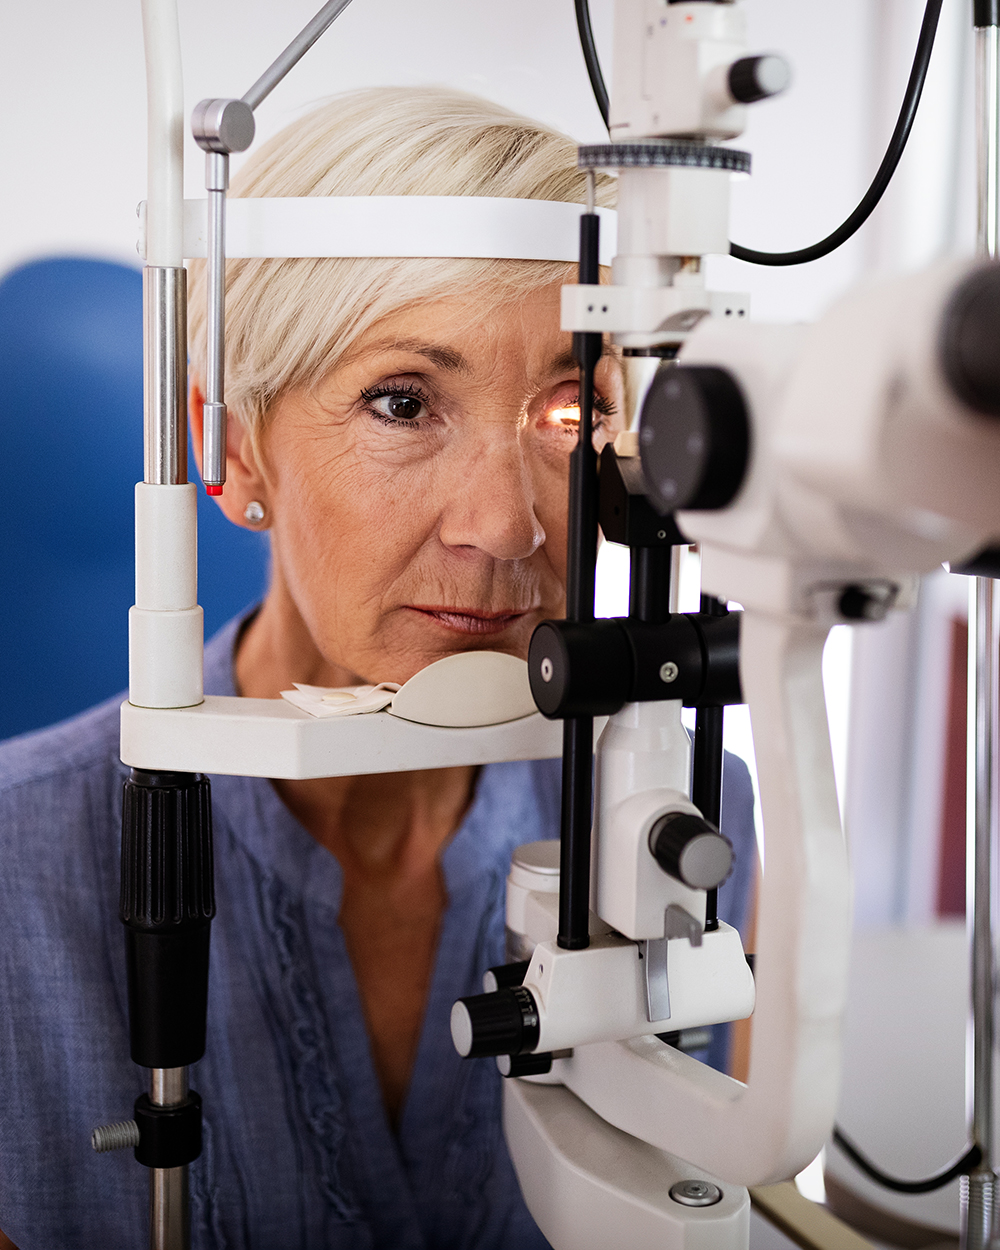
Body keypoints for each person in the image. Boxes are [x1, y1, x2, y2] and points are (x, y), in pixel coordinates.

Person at [0, 86, 757, 1249]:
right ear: (232, 448)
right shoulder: (17, 874)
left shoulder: (692, 815)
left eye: (569, 412)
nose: (506, 526)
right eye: (402, 401)